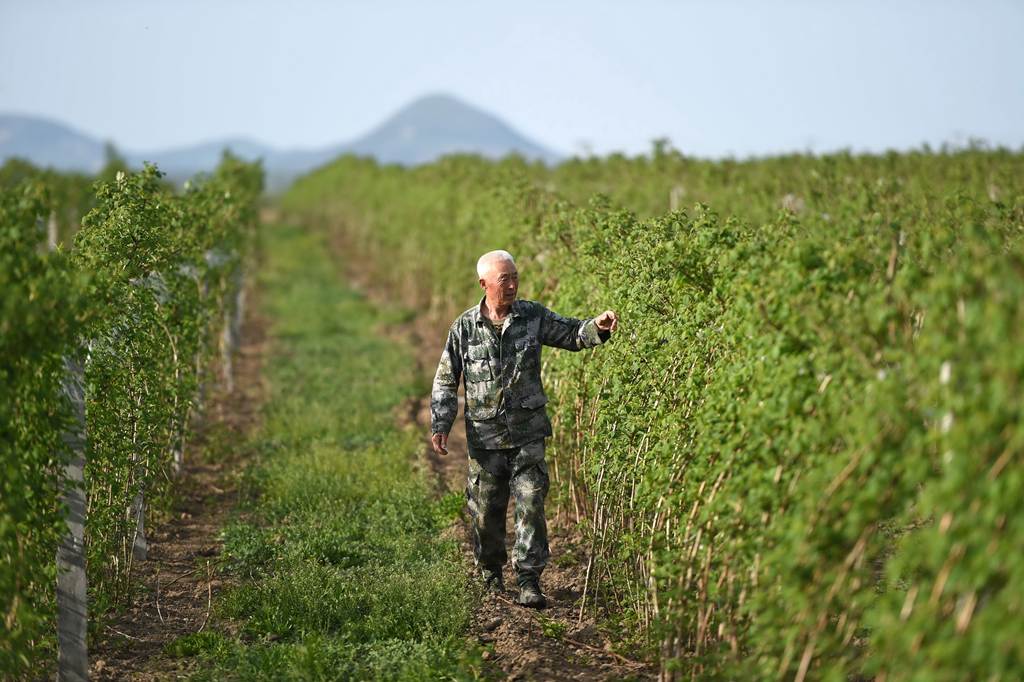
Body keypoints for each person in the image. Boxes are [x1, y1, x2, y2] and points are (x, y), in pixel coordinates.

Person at [430, 249, 618, 608]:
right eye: (505, 280)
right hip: (485, 440)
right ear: (484, 284)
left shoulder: (531, 316)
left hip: (528, 434)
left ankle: (529, 579)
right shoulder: (465, 328)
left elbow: (571, 334)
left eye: (515, 277)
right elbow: (445, 380)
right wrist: (441, 421)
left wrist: (597, 327)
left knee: (531, 502)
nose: (513, 285)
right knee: (486, 511)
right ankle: (491, 574)